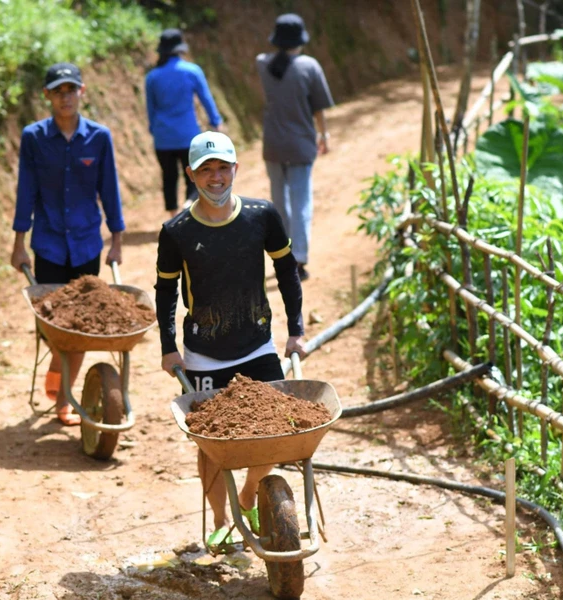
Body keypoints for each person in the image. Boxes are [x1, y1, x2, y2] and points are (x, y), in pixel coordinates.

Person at [155, 131, 306, 549]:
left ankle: (246, 497)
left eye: (223, 168)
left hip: (257, 344)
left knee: (277, 433)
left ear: (236, 169)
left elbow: (287, 270)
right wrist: (169, 346)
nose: (216, 178)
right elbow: (166, 290)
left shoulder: (262, 216)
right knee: (212, 448)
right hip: (204, 354)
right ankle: (222, 520)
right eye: (207, 170)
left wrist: (295, 331)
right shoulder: (177, 232)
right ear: (191, 174)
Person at [10, 62, 125, 426]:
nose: (65, 97)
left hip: (87, 245)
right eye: (58, 91)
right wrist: (18, 242)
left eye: (71, 89)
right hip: (48, 246)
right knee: (53, 327)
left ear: (82, 92)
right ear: (47, 95)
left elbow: (110, 190)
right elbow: (25, 191)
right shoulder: (34, 138)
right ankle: (60, 379)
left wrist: (117, 240)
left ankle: (63, 398)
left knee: (78, 326)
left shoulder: (99, 137)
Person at [256, 13, 334, 282]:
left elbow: (272, 64)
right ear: (300, 39)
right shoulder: (309, 66)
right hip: (301, 145)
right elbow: (319, 108)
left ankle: (282, 255)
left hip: (274, 145)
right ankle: (298, 260)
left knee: (279, 204)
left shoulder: (262, 63)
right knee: (301, 204)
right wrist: (324, 135)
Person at [145, 28, 223, 218]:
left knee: (169, 177)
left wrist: (155, 131)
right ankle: (189, 205)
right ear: (181, 48)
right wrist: (216, 122)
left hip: (163, 138)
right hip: (188, 136)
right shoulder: (192, 71)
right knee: (194, 176)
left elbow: (150, 110)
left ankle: (173, 215)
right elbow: (206, 98)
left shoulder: (152, 77)